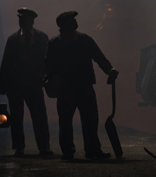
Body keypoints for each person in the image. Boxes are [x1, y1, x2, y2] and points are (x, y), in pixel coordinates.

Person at [45, 11, 118, 160]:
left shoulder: (61, 42)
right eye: (72, 20)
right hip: (73, 88)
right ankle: (80, 150)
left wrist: (109, 69)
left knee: (88, 119)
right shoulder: (75, 41)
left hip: (76, 87)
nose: (75, 22)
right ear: (65, 25)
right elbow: (48, 65)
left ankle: (81, 150)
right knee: (67, 121)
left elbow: (98, 56)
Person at [0, 8, 53, 157]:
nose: (21, 21)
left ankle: (36, 146)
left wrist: (2, 84)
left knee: (36, 115)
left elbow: (6, 63)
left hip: (27, 84)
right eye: (21, 19)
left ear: (31, 21)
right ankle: (35, 147)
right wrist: (2, 84)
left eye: (24, 19)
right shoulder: (40, 37)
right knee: (22, 116)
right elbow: (6, 63)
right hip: (22, 84)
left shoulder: (15, 39)